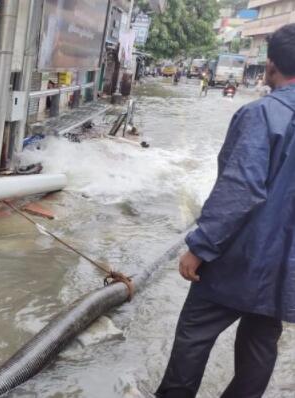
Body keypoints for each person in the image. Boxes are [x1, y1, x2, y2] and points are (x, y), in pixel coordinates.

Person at [157, 23, 295, 398]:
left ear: (269, 66)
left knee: (193, 336)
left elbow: (240, 190)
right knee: (261, 343)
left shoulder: (262, 114)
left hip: (238, 259)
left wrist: (199, 249)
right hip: (283, 269)